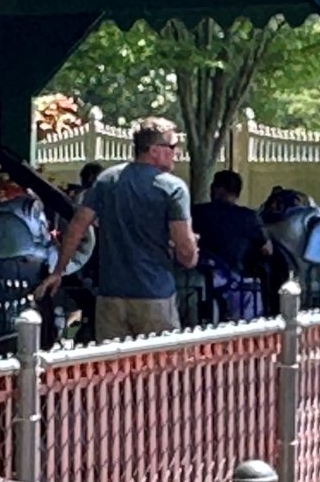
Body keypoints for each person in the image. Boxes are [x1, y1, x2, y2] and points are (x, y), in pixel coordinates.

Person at [35, 117, 199, 341]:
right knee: (160, 362)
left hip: (110, 297)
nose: (176, 153)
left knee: (114, 362)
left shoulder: (107, 180)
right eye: (172, 146)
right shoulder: (173, 188)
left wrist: (58, 272)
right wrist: (192, 255)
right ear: (154, 150)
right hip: (154, 296)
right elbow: (186, 251)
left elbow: (77, 227)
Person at [192, 170, 270, 274]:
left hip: (199, 275)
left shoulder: (197, 212)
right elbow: (267, 249)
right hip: (235, 277)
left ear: (216, 189)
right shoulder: (249, 217)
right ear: (237, 193)